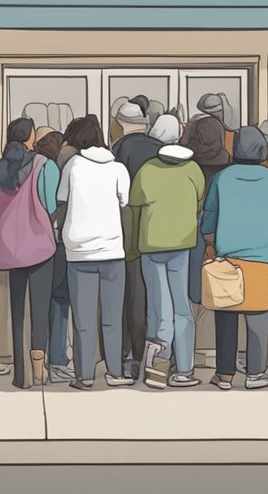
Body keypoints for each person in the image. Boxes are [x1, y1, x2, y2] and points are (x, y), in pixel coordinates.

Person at [202, 126, 268, 390]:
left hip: (227, 256)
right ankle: (255, 373)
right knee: (259, 316)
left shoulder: (221, 178)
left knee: (226, 316)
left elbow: (209, 217)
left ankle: (225, 375)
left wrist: (212, 241)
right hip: (261, 256)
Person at [0, 118, 61, 389]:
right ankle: (40, 370)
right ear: (30, 137)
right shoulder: (44, 165)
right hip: (40, 245)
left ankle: (21, 375)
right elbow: (50, 204)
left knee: (17, 310)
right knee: (40, 307)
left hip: (9, 246)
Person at [57, 116, 132, 390]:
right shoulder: (117, 168)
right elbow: (125, 200)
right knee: (112, 318)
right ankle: (115, 371)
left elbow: (62, 199)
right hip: (112, 250)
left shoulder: (73, 166)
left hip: (79, 253)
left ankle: (85, 375)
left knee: (84, 320)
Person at [130, 124, 205, 389]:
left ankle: (158, 369)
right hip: (182, 245)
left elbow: (135, 203)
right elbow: (199, 201)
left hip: (151, 246)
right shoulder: (193, 170)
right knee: (182, 309)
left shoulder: (148, 170)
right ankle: (184, 369)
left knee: (159, 310)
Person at [114, 106, 172, 381]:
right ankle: (158, 358)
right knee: (158, 301)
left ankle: (132, 358)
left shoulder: (119, 150)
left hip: (128, 235)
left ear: (121, 124)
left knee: (131, 299)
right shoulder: (161, 149)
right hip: (160, 231)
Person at [35, 129, 73, 384]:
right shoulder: (53, 169)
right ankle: (57, 360)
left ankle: (40, 359)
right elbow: (53, 206)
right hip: (55, 242)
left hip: (33, 242)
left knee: (40, 304)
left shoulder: (32, 165)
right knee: (60, 301)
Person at [182, 115, 232, 305]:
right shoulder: (227, 165)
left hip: (193, 221)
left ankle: (196, 295)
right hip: (221, 222)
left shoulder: (188, 164)